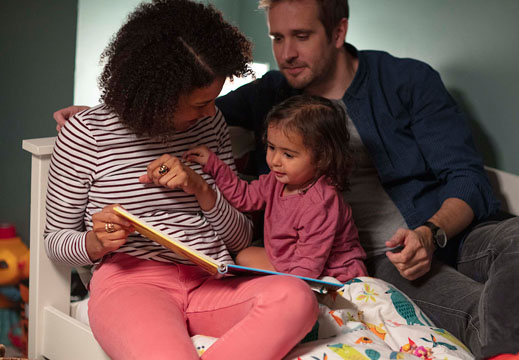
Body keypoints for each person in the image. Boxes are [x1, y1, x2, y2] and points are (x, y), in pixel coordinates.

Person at [53, 0, 519, 358]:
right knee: (478, 311)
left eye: (302, 36)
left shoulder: (406, 81)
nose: (286, 52)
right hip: (378, 259)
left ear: (337, 31)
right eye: (276, 38)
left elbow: (468, 180)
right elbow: (175, 109)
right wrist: (108, 114)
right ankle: (516, 343)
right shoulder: (265, 95)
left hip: (439, 231)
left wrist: (431, 231)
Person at [45, 1, 317, 359]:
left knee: (297, 299)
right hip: (132, 283)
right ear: (154, 95)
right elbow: (55, 243)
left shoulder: (211, 124)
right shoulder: (86, 135)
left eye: (213, 100)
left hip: (211, 280)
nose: (210, 112)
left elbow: (238, 239)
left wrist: (202, 190)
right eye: (198, 104)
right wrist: (96, 244)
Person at [184, 94, 367, 282]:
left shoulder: (322, 202)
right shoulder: (276, 180)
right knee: (244, 256)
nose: (275, 161)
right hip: (289, 261)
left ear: (322, 158)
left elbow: (309, 266)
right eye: (271, 148)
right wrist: (215, 166)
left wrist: (284, 286)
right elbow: (244, 197)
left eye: (288, 155)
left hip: (332, 273)